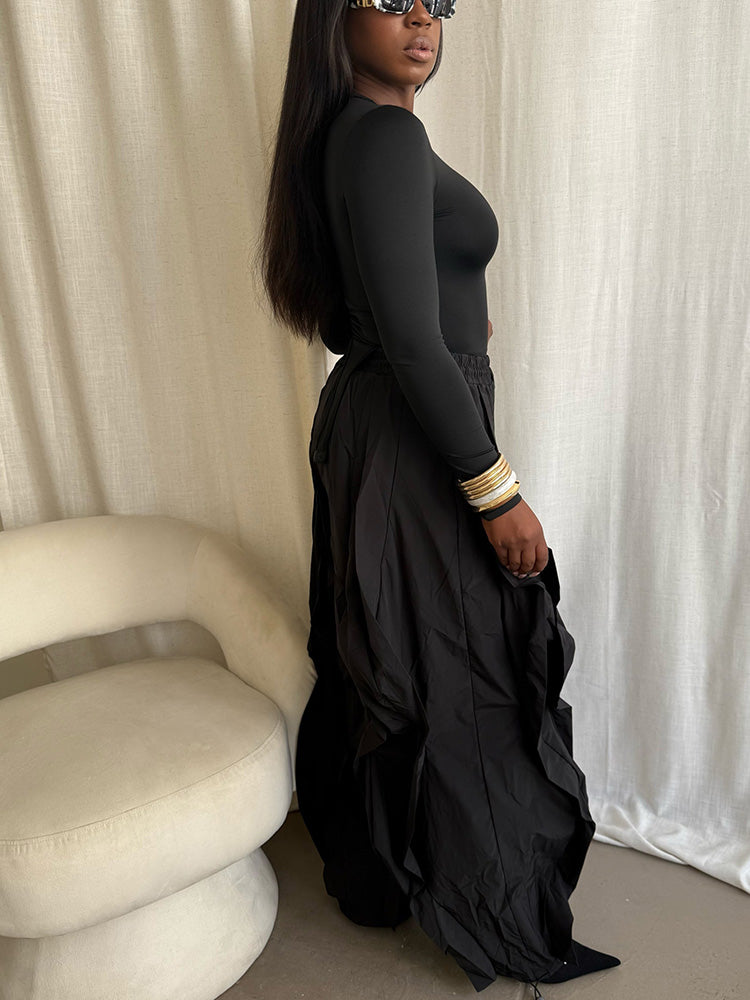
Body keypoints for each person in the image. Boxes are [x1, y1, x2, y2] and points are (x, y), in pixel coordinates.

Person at [256, 1, 622, 995]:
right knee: (459, 658)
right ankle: (483, 895)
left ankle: (378, 872)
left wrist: (461, 317)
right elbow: (410, 342)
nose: (422, 18)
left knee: (402, 649)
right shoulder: (385, 135)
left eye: (438, 0)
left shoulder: (344, 134)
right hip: (416, 431)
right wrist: (497, 493)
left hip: (387, 417)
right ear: (334, 17)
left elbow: (360, 318)